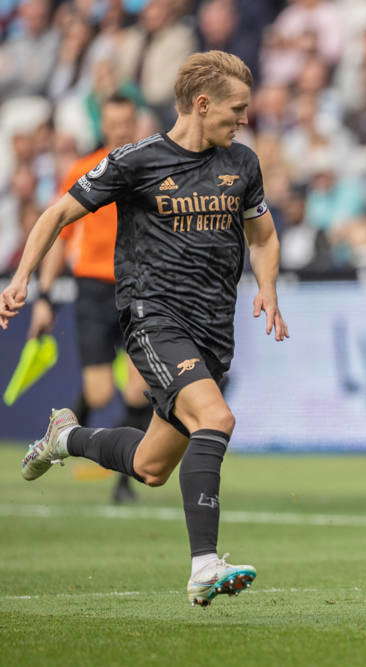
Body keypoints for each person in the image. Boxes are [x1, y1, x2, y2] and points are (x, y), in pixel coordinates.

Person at [1, 51, 289, 607]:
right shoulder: (137, 161)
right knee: (217, 417)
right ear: (201, 105)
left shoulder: (243, 164)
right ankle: (204, 565)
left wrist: (269, 288)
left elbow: (265, 237)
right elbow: (56, 213)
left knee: (151, 467)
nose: (244, 118)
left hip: (212, 331)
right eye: (237, 108)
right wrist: (21, 279)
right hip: (152, 318)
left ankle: (65, 437)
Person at [27, 94, 153, 505]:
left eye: (125, 122)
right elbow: (60, 238)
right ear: (104, 125)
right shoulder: (86, 171)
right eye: (113, 123)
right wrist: (44, 296)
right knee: (99, 395)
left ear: (134, 122)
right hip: (94, 291)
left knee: (139, 393)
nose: (119, 129)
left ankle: (123, 480)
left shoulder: (148, 168)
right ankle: (61, 432)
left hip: (138, 288)